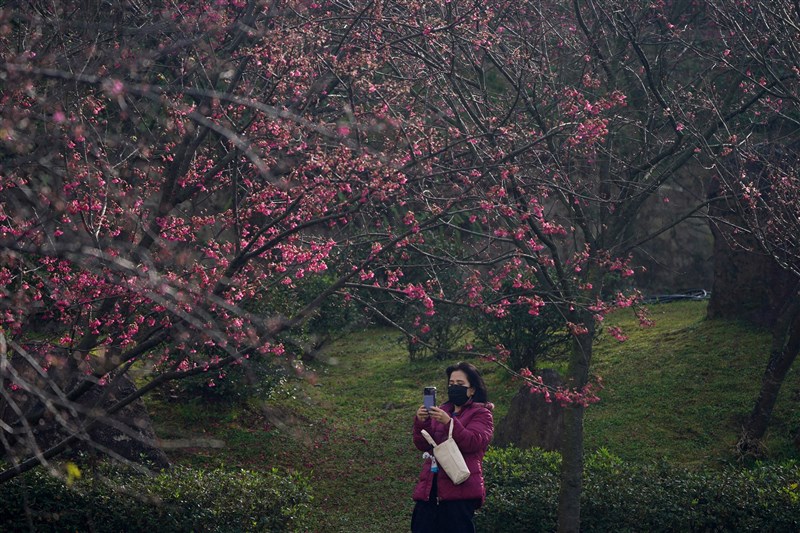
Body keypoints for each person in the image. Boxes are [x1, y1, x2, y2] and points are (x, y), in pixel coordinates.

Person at [411, 362, 494, 533]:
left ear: (472, 389)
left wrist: (449, 422)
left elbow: (473, 441)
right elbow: (423, 444)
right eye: (451, 384)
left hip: (460, 490)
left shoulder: (482, 414)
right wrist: (422, 422)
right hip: (430, 488)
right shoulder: (441, 411)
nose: (454, 388)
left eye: (460, 385)